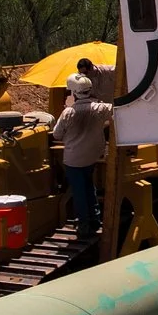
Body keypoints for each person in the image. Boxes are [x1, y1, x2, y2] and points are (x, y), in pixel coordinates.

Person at [51, 73, 113, 234]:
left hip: (74, 159)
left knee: (79, 191)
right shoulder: (101, 108)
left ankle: (84, 225)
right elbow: (117, 111)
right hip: (92, 156)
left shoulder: (68, 113)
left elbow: (57, 134)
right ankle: (95, 219)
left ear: (73, 92)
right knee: (89, 186)